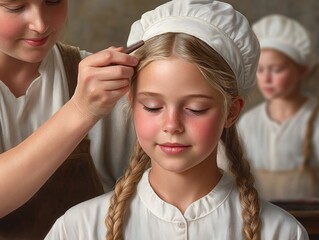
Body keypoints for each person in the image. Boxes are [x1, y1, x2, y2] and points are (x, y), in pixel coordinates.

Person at [45, 1, 309, 240]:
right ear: (131, 101)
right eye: (152, 106)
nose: (172, 125)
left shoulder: (281, 232)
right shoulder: (77, 229)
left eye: (196, 108)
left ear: (231, 112)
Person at [0, 0, 137, 239]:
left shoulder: (102, 83)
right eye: (15, 7)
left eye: (53, 1)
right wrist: (80, 110)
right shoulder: (90, 95)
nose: (41, 24)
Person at [237, 14, 319, 200]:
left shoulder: (314, 121)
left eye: (276, 69)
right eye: (260, 69)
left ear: (301, 71)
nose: (266, 79)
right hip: (260, 220)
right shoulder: (249, 122)